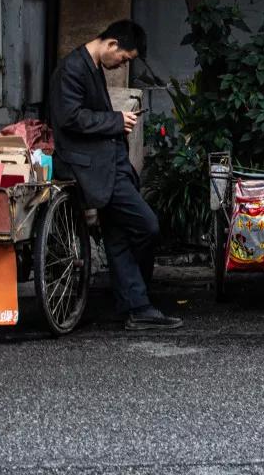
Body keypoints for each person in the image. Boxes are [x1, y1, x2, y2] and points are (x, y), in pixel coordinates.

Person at [49, 21, 182, 331]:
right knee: (146, 226)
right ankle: (135, 297)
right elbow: (69, 118)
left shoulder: (90, 66)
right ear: (111, 45)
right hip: (90, 166)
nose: (122, 64)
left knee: (119, 235)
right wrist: (115, 120)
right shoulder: (71, 69)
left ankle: (136, 305)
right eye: (124, 58)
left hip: (108, 162)